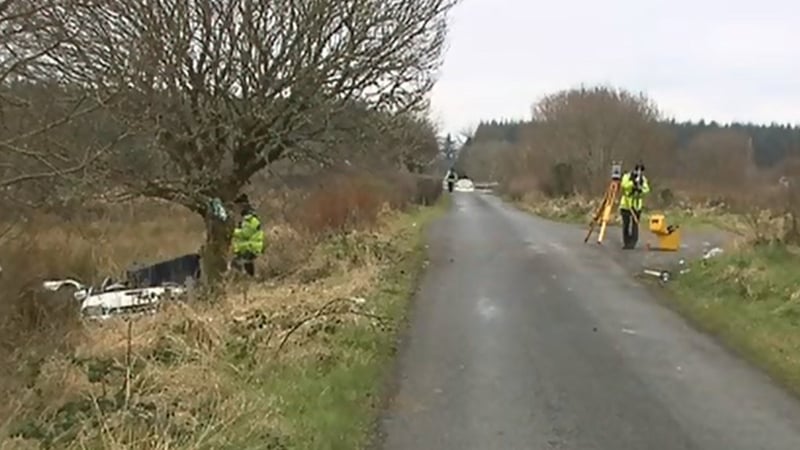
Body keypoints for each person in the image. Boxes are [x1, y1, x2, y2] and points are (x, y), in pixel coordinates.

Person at [231, 194, 265, 276]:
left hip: (250, 247)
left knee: (237, 263)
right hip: (246, 246)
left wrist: (232, 231)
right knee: (246, 264)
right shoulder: (247, 219)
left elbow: (246, 233)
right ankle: (249, 278)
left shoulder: (250, 219)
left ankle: (245, 278)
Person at [619, 163, 650, 250]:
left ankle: (633, 243)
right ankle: (626, 242)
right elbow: (624, 185)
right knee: (626, 224)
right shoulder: (627, 176)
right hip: (626, 205)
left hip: (636, 206)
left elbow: (647, 190)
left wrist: (640, 189)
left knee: (635, 225)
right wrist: (633, 183)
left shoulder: (643, 179)